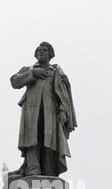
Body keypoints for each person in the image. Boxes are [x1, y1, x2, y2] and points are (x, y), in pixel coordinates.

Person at [10, 42, 77, 177]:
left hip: (50, 110)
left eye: (45, 50)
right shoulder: (29, 69)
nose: (41, 52)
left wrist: (63, 111)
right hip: (31, 110)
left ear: (50, 54)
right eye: (39, 50)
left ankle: (49, 171)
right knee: (31, 139)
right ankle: (33, 169)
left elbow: (63, 95)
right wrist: (32, 73)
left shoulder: (56, 72)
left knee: (49, 140)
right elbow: (14, 82)